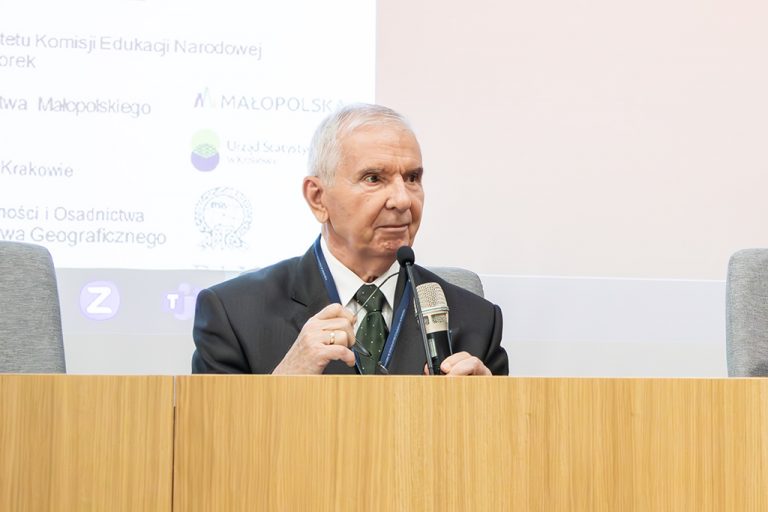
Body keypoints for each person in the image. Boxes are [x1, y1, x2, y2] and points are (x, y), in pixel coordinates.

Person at [192, 104, 508, 375]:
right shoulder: (234, 314)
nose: (402, 200)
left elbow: (504, 430)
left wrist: (486, 409)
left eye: (412, 178)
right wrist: (283, 384)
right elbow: (212, 431)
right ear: (317, 198)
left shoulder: (477, 321)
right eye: (374, 178)